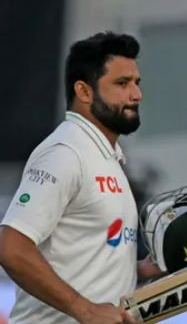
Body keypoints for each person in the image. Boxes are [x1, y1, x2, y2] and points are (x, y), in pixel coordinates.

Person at [0, 32, 163, 324]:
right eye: (122, 83)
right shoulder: (65, 153)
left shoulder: (105, 155)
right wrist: (83, 308)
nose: (136, 94)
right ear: (84, 92)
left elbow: (83, 257)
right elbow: (11, 248)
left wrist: (137, 270)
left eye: (137, 83)